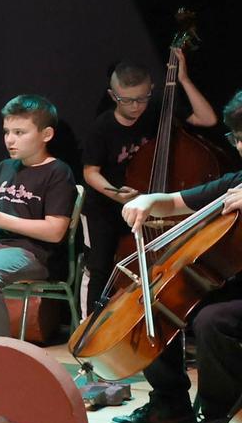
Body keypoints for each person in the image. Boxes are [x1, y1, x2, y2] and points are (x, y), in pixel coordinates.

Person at [110, 90, 242, 423]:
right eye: (239, 138)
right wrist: (148, 200)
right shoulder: (235, 183)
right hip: (233, 288)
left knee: (213, 321)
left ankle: (216, 422)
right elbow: (176, 202)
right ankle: (170, 405)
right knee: (162, 301)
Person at [78, 50, 217, 311]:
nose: (135, 106)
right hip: (106, 207)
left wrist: (183, 79)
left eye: (142, 98)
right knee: (101, 267)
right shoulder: (102, 127)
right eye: (127, 100)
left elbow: (207, 119)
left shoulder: (157, 110)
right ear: (113, 96)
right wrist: (116, 194)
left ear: (151, 89)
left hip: (147, 203)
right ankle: (91, 328)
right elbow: (90, 172)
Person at [0, 95, 77, 338]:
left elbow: (55, 231)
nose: (10, 139)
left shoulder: (58, 172)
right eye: (7, 132)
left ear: (46, 135)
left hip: (32, 253)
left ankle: (0, 354)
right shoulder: (5, 167)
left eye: (20, 132)